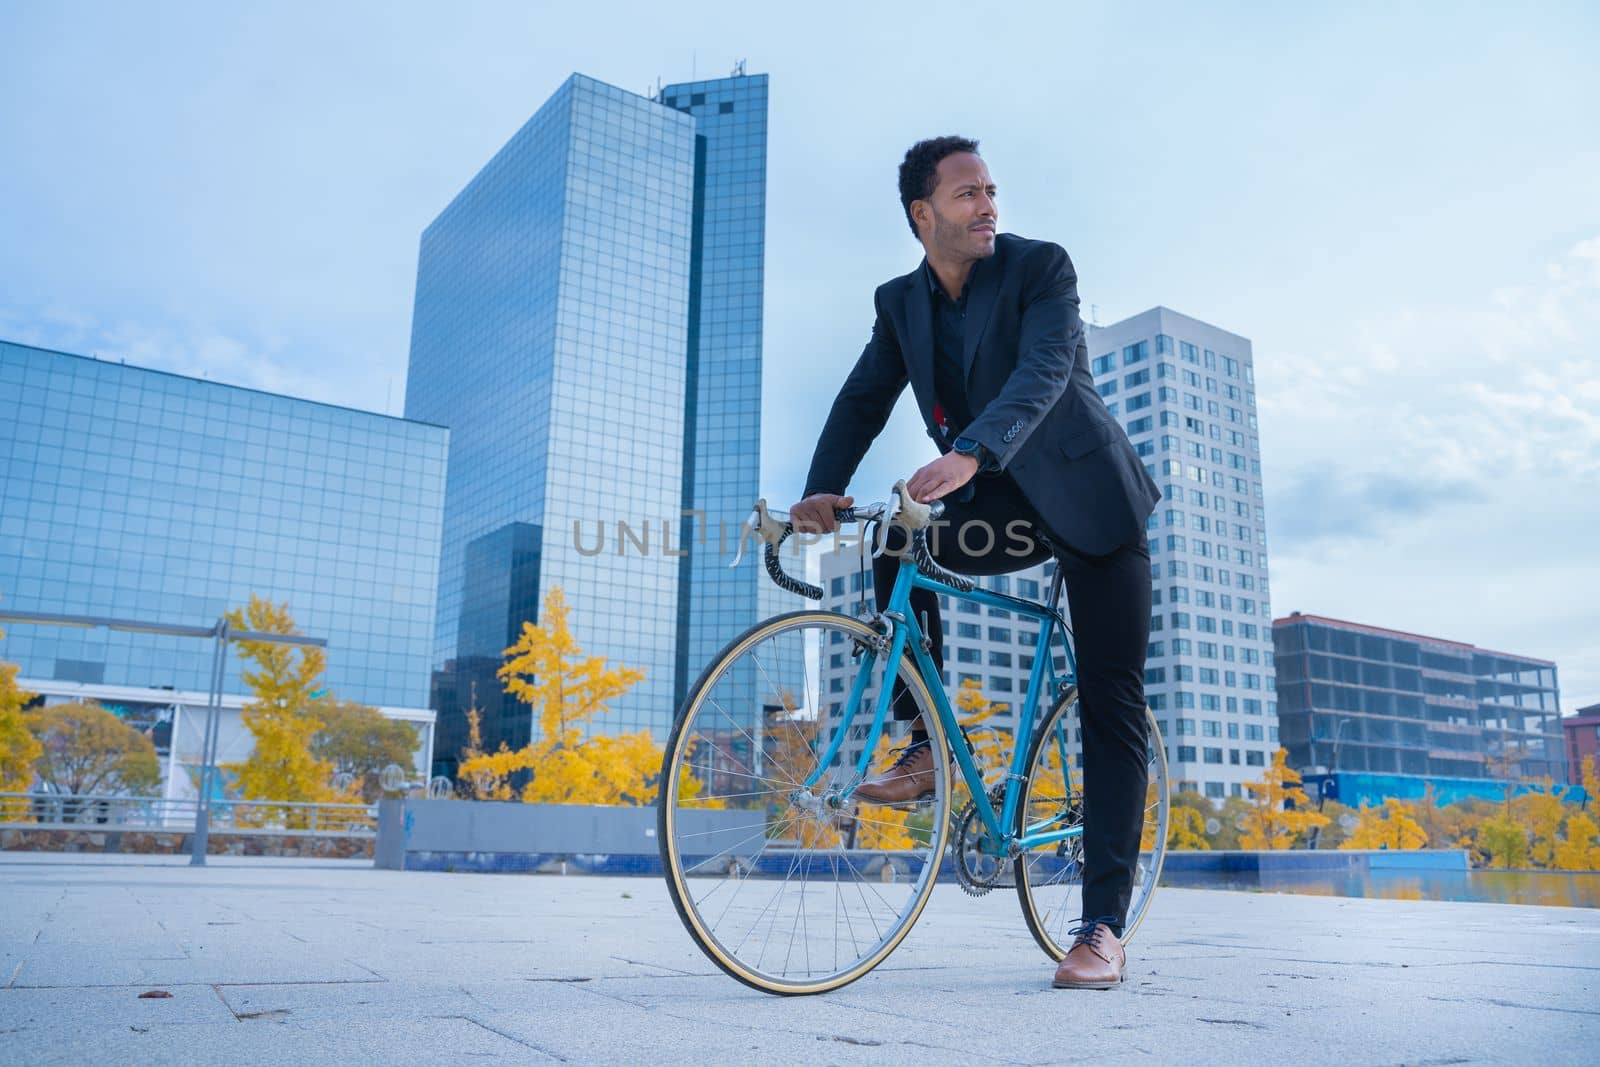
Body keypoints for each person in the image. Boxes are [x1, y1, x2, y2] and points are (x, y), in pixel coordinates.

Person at [790, 136, 1160, 990]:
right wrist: (819, 490)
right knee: (892, 535)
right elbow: (860, 399)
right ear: (923, 215)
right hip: (1007, 510)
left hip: (1094, 504)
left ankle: (1102, 925)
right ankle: (926, 748)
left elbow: (1042, 373)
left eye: (991, 189)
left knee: (1111, 703)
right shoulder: (899, 303)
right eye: (966, 194)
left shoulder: (1042, 269)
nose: (988, 204)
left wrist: (970, 452)